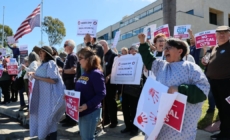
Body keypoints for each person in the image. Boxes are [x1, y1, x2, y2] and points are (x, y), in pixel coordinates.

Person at [138, 33, 209, 140]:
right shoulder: (161, 65)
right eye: (164, 48)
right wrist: (143, 43)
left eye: (168, 48)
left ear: (180, 51)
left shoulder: (191, 68)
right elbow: (148, 59)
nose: (165, 50)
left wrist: (180, 89)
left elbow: (203, 91)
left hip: (182, 123)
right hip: (160, 118)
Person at [29, 46, 66, 140]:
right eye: (39, 52)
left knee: (49, 120)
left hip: (50, 97)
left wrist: (38, 78)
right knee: (44, 121)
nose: (39, 54)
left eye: (42, 52)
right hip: (42, 97)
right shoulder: (42, 64)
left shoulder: (51, 63)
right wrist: (33, 74)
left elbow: (53, 80)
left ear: (47, 54)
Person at [202, 26, 230, 140]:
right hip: (214, 84)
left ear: (229, 34)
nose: (222, 35)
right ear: (216, 36)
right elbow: (206, 61)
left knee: (227, 110)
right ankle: (224, 132)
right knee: (221, 109)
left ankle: (227, 135)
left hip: (227, 84)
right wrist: (204, 60)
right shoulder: (213, 48)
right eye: (219, 33)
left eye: (225, 33)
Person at [75, 47, 106, 140]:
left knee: (87, 138)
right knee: (85, 137)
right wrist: (69, 96)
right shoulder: (85, 73)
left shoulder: (96, 73)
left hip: (90, 112)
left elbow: (102, 94)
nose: (79, 61)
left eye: (80, 58)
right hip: (81, 111)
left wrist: (87, 105)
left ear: (88, 60)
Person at [120, 45, 142, 136]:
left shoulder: (140, 58)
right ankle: (128, 126)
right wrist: (119, 59)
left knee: (134, 110)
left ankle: (134, 128)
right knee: (125, 109)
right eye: (130, 49)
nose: (132, 51)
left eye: (133, 49)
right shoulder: (126, 59)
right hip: (125, 89)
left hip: (135, 90)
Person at [99, 40, 118, 128]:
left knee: (111, 102)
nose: (101, 47)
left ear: (106, 45)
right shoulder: (100, 57)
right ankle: (106, 119)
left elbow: (116, 69)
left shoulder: (113, 55)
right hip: (102, 83)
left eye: (102, 45)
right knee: (103, 102)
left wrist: (109, 76)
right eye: (100, 46)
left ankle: (114, 121)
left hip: (111, 83)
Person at [60, 40, 78, 127]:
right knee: (67, 102)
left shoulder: (72, 56)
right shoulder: (69, 56)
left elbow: (73, 70)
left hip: (70, 83)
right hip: (67, 82)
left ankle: (71, 121)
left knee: (70, 102)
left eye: (65, 45)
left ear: (70, 46)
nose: (64, 47)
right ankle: (68, 118)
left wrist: (62, 70)